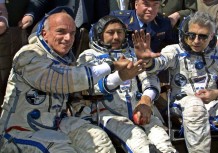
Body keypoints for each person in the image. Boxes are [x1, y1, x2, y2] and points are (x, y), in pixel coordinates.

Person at [0, 6, 139, 152]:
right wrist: (112, 65)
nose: (68, 38)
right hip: (22, 130)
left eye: (72, 33)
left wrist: (121, 76)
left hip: (56, 123)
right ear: (44, 33)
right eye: (61, 31)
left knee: (100, 141)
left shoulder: (67, 60)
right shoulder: (29, 55)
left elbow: (86, 88)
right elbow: (64, 80)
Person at [133, 11, 218, 152]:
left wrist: (217, 93)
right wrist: (148, 60)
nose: (196, 40)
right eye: (191, 35)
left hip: (214, 105)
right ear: (184, 34)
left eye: (203, 36)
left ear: (211, 36)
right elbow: (158, 63)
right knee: (194, 104)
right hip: (182, 105)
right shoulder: (174, 51)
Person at [77, 15, 177, 153]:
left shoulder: (133, 53)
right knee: (139, 141)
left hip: (140, 109)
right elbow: (91, 87)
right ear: (99, 35)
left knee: (164, 143)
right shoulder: (89, 56)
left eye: (120, 32)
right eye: (110, 33)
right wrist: (120, 76)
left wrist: (146, 99)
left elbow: (150, 78)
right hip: (108, 114)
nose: (116, 37)